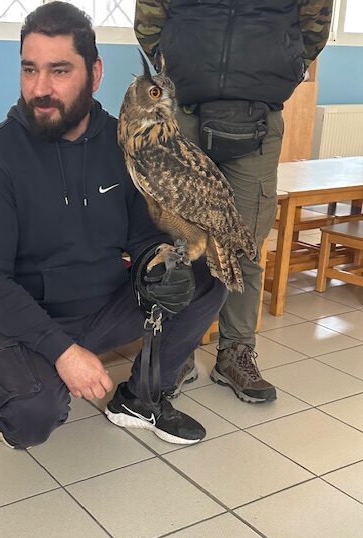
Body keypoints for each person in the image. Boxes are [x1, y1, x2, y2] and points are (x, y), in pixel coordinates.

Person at [0, 1, 227, 450]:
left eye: (59, 71)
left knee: (206, 276)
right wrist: (62, 353)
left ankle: (142, 398)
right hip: (25, 313)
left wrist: (156, 265)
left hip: (107, 303)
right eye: (29, 69)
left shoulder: (124, 147)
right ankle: (19, 376)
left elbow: (143, 232)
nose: (40, 88)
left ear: (95, 73)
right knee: (31, 414)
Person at [135, 0, 333, 403]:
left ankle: (236, 352)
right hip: (184, 110)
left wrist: (286, 65)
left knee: (245, 247)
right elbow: (149, 14)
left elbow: (316, 20)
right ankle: (178, 352)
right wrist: (175, 61)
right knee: (181, 244)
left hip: (258, 114)